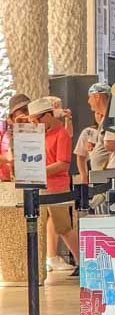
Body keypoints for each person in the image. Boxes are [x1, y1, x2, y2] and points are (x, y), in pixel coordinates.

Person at [27, 98, 81, 275]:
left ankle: (82, 261)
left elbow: (63, 164)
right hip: (43, 185)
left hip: (57, 186)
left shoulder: (61, 134)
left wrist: (38, 171)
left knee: (64, 227)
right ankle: (52, 256)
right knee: (53, 224)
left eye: (37, 120)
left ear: (48, 116)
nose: (35, 124)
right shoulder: (42, 134)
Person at [0, 94, 31, 181]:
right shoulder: (3, 131)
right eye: (24, 110)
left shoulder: (36, 132)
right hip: (8, 184)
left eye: (29, 110)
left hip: (32, 182)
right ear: (12, 116)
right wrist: (8, 159)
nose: (27, 114)